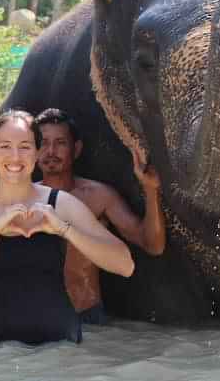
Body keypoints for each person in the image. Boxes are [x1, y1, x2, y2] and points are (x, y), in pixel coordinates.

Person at [0, 110, 134, 345]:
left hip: (61, 352)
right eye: (5, 146)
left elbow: (125, 265)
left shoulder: (61, 203)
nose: (15, 156)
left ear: (36, 152)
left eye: (25, 146)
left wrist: (64, 229)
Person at [35, 108, 165, 324]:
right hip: (39, 319)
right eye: (43, 143)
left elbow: (153, 245)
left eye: (60, 143)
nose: (50, 151)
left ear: (76, 149)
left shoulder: (98, 197)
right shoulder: (24, 199)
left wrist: (151, 190)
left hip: (88, 318)